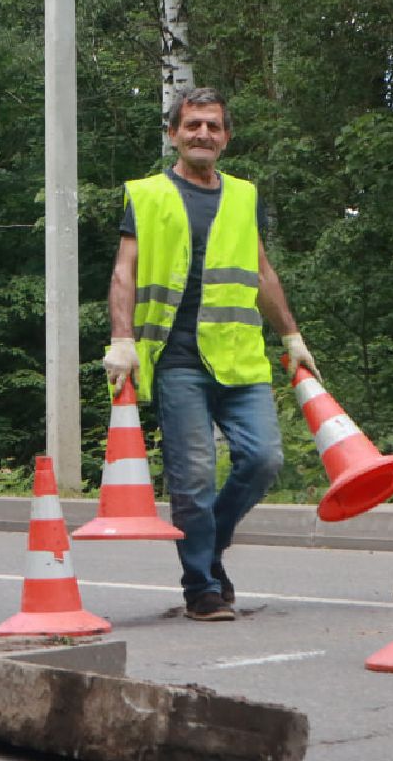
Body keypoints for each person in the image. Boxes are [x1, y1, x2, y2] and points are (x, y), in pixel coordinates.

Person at [103, 87, 320, 622]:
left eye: (213, 126)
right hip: (176, 361)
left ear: (226, 137)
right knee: (194, 478)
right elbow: (125, 270)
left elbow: (262, 272)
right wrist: (122, 338)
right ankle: (201, 586)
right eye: (192, 124)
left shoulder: (244, 197)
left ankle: (209, 545)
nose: (203, 134)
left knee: (264, 459)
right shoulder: (147, 195)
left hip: (240, 359)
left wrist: (292, 336)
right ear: (173, 133)